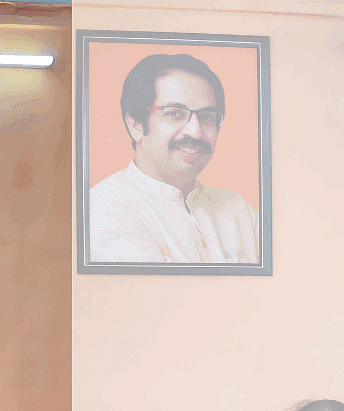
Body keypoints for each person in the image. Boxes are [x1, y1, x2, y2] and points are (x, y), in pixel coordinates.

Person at [88, 53, 260, 264]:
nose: (195, 132)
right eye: (175, 114)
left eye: (207, 117)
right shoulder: (103, 208)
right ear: (136, 125)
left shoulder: (237, 208)